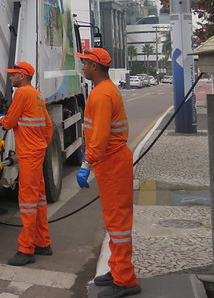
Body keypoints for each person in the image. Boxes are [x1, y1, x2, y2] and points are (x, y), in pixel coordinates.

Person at [74, 48, 141, 298]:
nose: (82, 67)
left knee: (118, 223)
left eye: (84, 63)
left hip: (112, 162)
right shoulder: (104, 90)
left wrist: (85, 164)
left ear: (95, 66)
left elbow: (100, 137)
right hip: (111, 162)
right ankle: (116, 270)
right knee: (114, 222)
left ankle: (125, 280)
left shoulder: (102, 94)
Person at [0, 61, 53, 266]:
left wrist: (1, 118)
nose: (10, 78)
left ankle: (26, 249)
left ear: (22, 76)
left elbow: (10, 122)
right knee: (38, 197)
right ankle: (43, 242)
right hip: (37, 151)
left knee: (28, 200)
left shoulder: (22, 93)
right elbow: (48, 125)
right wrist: (41, 144)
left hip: (29, 153)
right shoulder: (37, 95)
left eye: (13, 75)